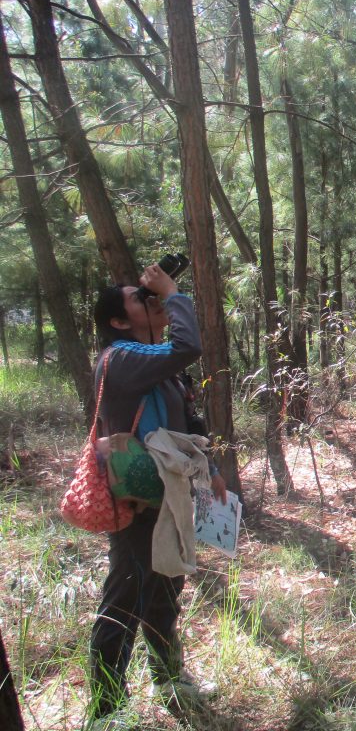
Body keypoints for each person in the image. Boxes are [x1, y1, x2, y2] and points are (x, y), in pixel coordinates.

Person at [86, 263, 226, 730]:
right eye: (138, 299)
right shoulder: (119, 359)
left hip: (171, 493)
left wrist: (213, 470)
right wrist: (173, 292)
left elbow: (188, 421)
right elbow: (190, 346)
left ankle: (168, 677)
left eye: (150, 295)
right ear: (120, 322)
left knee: (166, 588)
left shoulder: (152, 358)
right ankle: (106, 708)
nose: (153, 301)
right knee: (126, 596)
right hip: (138, 500)